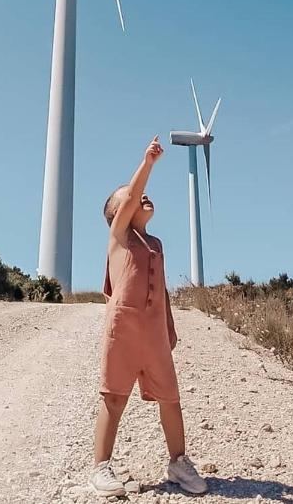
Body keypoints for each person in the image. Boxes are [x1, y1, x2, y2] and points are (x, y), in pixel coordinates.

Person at [90, 136, 208, 497]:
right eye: (131, 196)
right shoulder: (120, 236)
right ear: (118, 213)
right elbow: (130, 197)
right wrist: (148, 164)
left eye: (141, 193)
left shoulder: (155, 243)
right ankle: (101, 467)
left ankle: (178, 462)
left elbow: (164, 293)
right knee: (114, 396)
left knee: (170, 398)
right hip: (123, 331)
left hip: (154, 334)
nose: (141, 197)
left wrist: (170, 329)